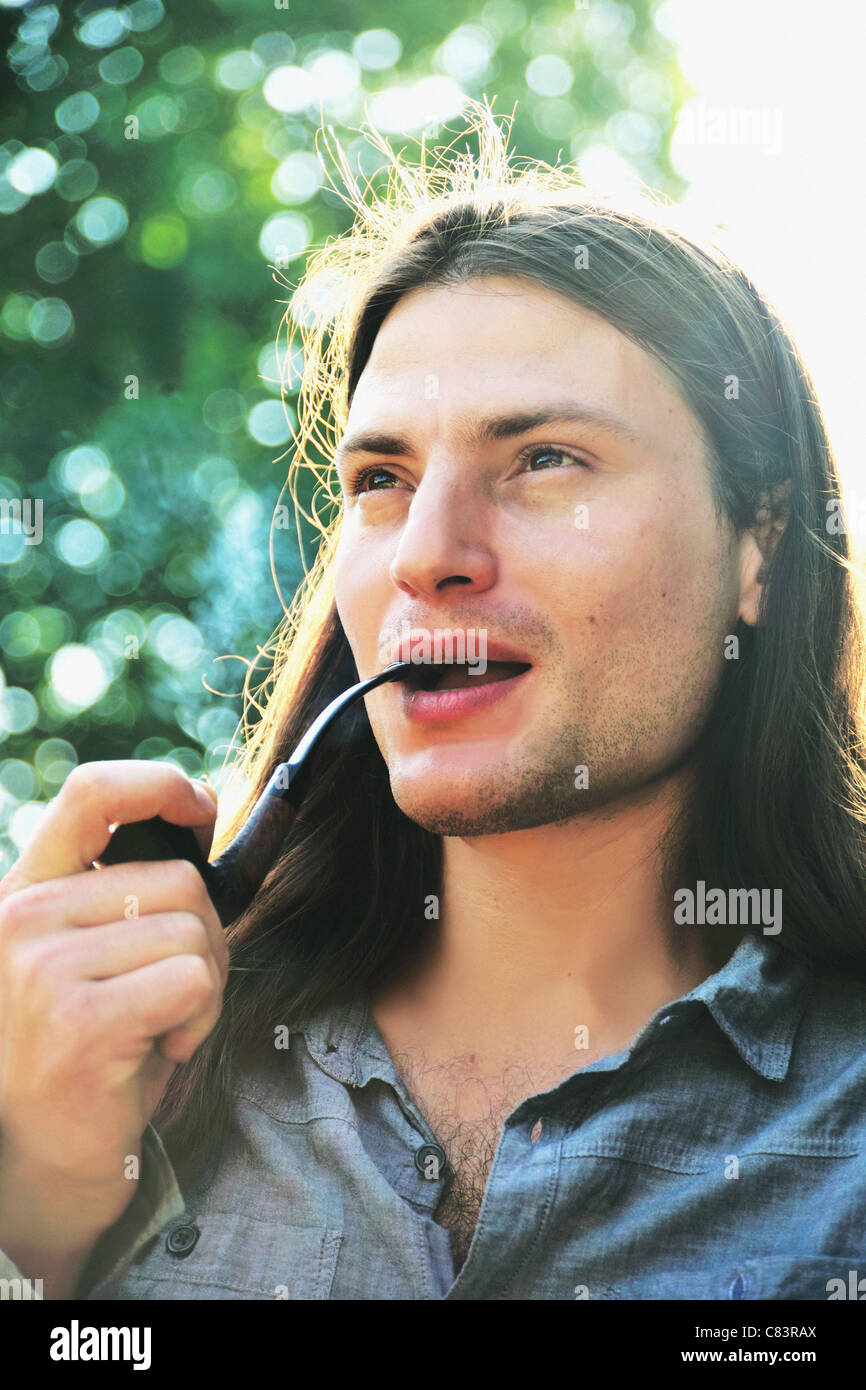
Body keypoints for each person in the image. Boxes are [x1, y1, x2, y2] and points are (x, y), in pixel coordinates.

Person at [2, 102, 865, 1301]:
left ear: (758, 543)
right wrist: (36, 1206)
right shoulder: (122, 1062)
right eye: (380, 478)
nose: (425, 551)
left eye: (543, 458)